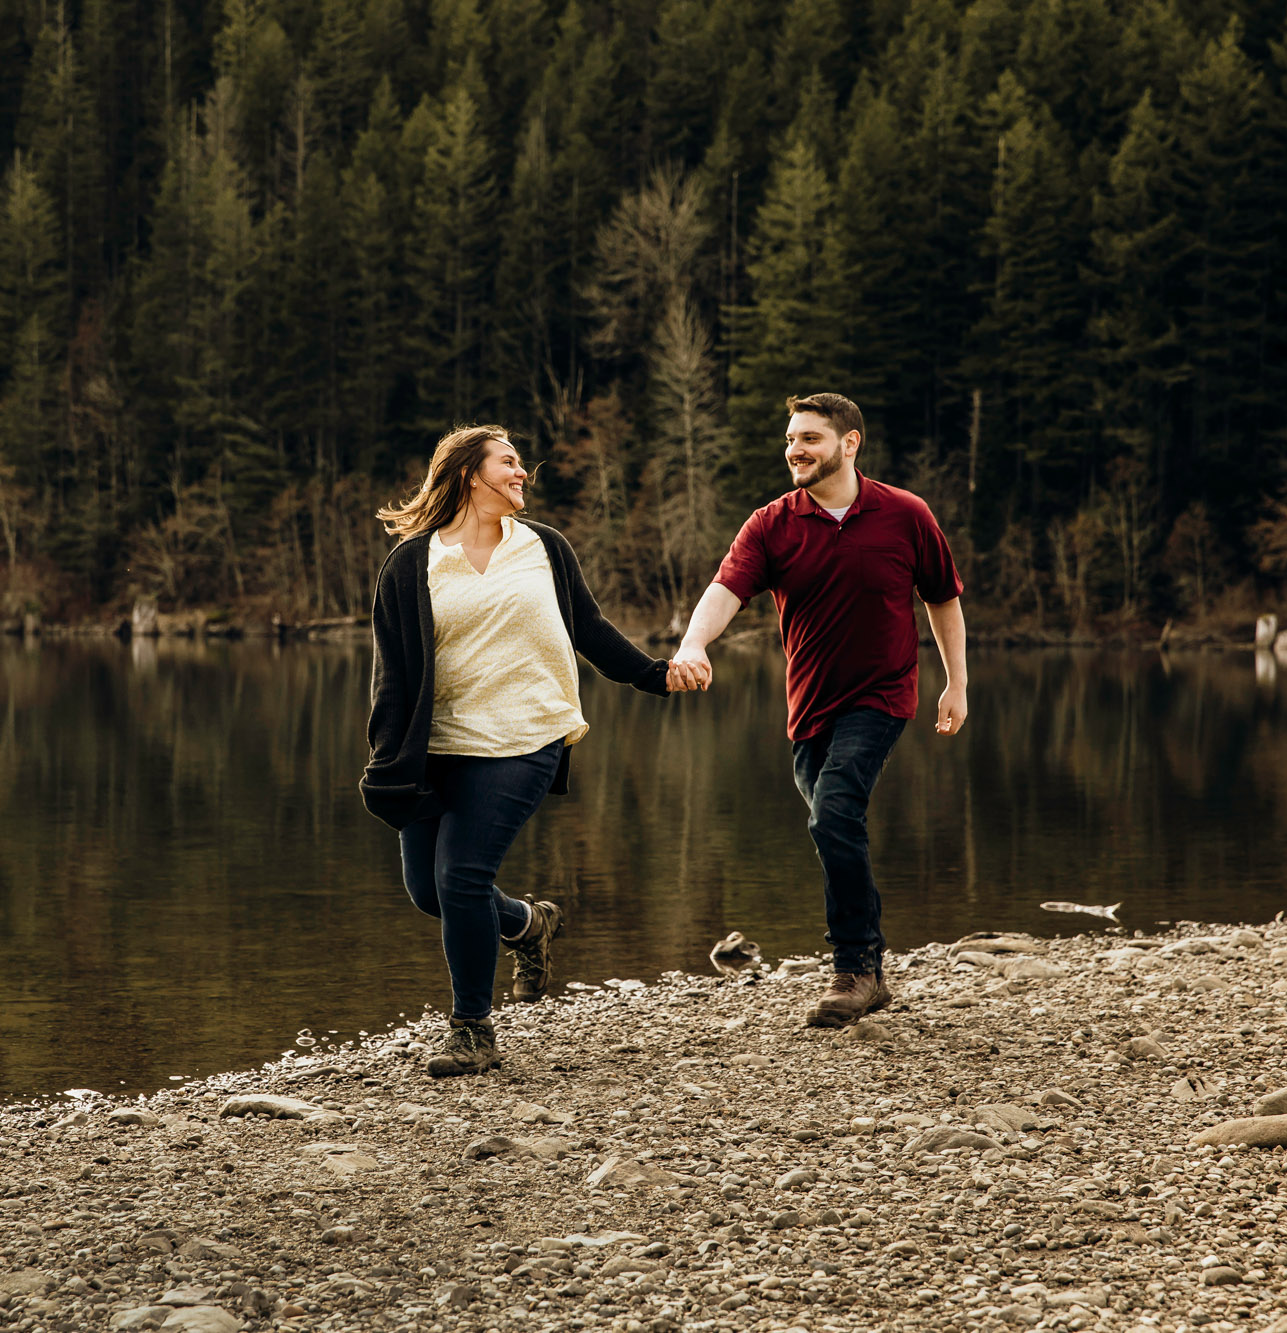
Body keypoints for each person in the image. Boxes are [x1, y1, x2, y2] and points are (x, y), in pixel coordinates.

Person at [362, 423, 680, 1077]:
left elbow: (588, 626)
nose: (523, 472)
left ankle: (473, 1030)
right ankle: (528, 924)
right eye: (509, 462)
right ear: (469, 474)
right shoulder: (411, 563)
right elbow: (391, 674)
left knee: (461, 877)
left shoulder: (544, 547)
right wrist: (386, 761)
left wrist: (654, 672)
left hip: (523, 738)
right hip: (436, 748)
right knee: (429, 891)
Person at [668, 392, 967, 1027]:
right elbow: (727, 589)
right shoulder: (771, 523)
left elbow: (942, 599)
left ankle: (855, 968)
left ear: (849, 443)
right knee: (836, 824)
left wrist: (956, 683)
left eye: (809, 438)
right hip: (809, 707)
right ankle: (872, 970)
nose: (795, 451)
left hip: (883, 696)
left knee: (834, 811)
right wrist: (694, 641)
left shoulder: (906, 515)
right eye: (790, 440)